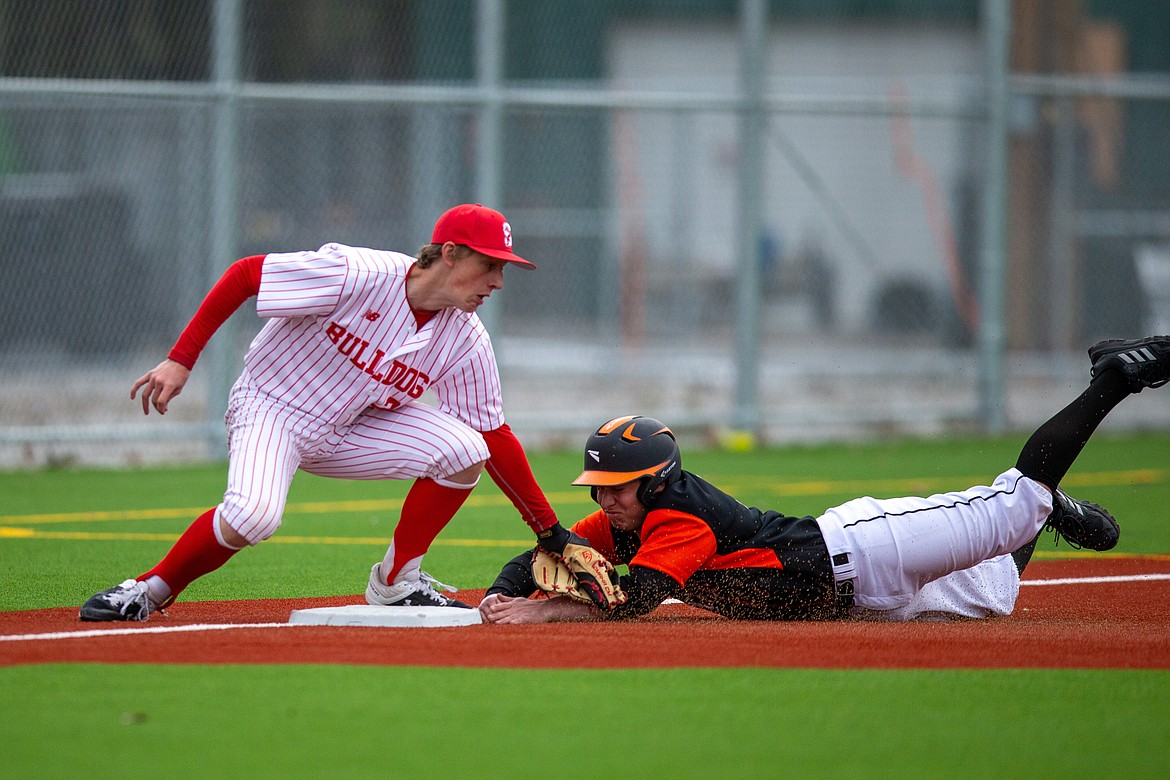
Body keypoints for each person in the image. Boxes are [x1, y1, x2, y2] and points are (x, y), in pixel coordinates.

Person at [80, 203, 613, 621]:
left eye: (503, 269)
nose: (497, 281)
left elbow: (494, 434)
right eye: (489, 265)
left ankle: (397, 582)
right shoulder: (357, 272)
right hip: (273, 406)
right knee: (253, 516)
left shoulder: (465, 338)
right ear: (449, 253)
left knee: (466, 447)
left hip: (350, 429)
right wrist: (180, 359)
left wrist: (551, 532)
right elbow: (246, 275)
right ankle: (149, 591)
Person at [480, 336, 1170, 624]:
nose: (605, 499)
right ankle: (1037, 510)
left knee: (1012, 508)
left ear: (656, 482)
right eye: (599, 488)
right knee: (995, 594)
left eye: (618, 486)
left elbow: (632, 603)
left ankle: (1116, 376)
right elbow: (553, 550)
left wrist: (541, 609)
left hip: (865, 550)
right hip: (859, 605)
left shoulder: (677, 519)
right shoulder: (625, 519)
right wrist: (501, 591)